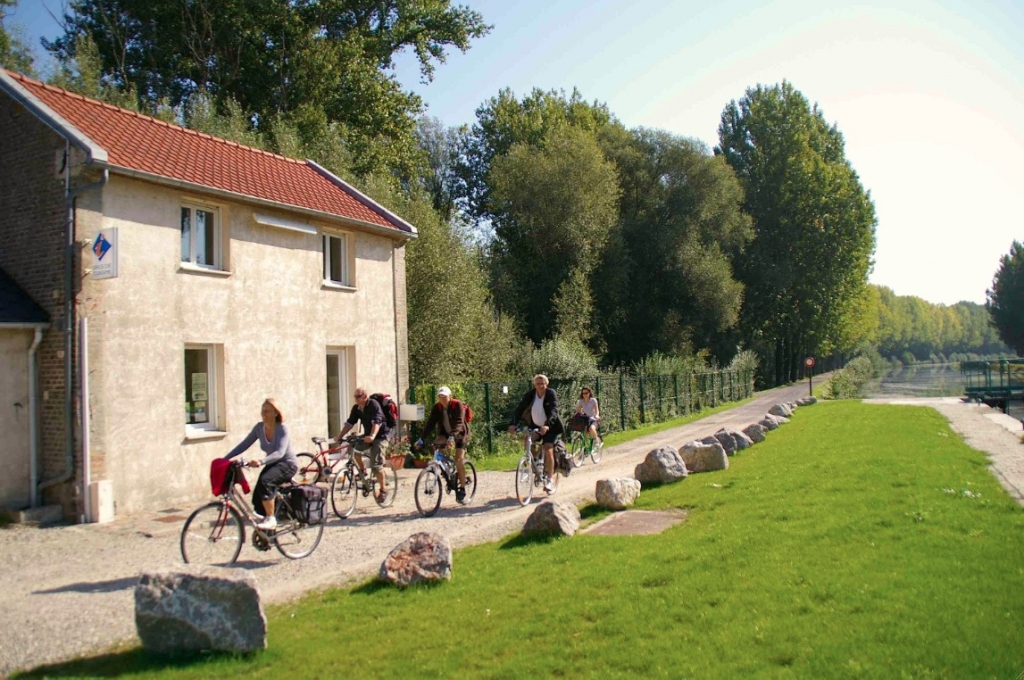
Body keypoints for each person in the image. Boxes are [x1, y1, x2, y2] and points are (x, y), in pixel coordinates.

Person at [224, 398, 298, 531]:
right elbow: (244, 445)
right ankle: (267, 532)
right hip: (273, 464)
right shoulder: (259, 428)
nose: (264, 414)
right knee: (258, 495)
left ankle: (271, 519)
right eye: (262, 411)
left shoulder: (282, 428)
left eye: (267, 411)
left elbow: (280, 453)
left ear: (276, 413)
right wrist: (225, 459)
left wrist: (260, 461)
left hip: (287, 464)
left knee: (266, 482)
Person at [508, 374, 564, 493]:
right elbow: (519, 408)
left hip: (551, 427)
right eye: (538, 383)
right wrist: (513, 423)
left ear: (546, 384)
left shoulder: (550, 394)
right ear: (534, 384)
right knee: (527, 441)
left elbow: (554, 410)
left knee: (548, 449)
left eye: (542, 383)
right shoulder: (530, 395)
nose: (540, 385)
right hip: (536, 427)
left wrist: (547, 424)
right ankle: (533, 464)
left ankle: (549, 479)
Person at [415, 386, 471, 502]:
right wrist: (422, 439)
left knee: (458, 459)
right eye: (440, 397)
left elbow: (459, 422)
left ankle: (462, 488)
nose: (442, 399)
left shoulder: (457, 405)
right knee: (436, 447)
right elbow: (430, 423)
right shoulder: (437, 407)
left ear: (450, 396)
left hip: (460, 434)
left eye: (444, 397)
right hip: (445, 433)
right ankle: (447, 472)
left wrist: (453, 436)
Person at [337, 387, 389, 502]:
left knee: (376, 465)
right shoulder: (357, 408)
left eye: (358, 396)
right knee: (354, 449)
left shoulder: (374, 404)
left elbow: (377, 421)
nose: (355, 399)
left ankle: (383, 490)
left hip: (380, 437)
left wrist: (373, 436)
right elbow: (350, 422)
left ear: (365, 397)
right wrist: (340, 436)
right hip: (367, 436)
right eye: (354, 396)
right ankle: (363, 470)